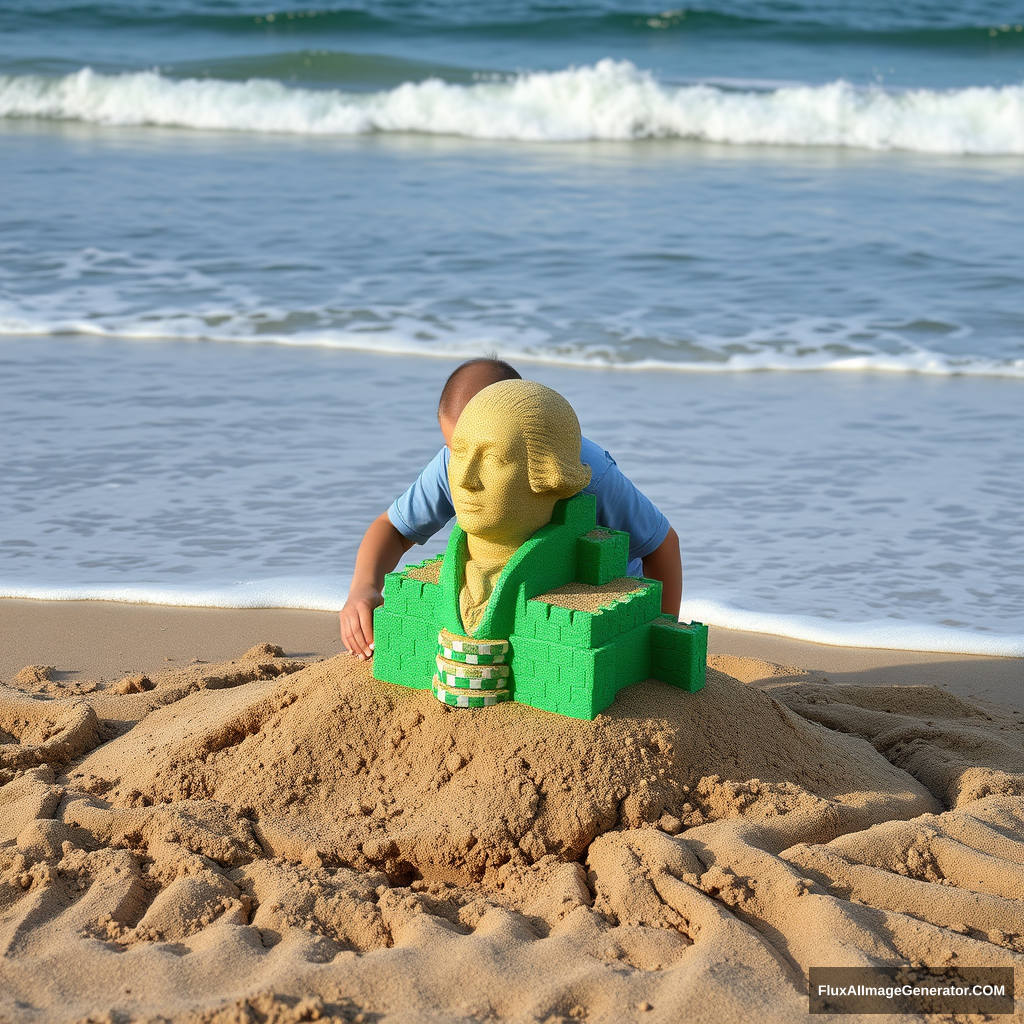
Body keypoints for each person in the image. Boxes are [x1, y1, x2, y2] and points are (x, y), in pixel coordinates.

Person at [340, 358, 681, 659]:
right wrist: (363, 588)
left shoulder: (589, 473)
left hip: (593, 605)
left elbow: (662, 545)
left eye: (491, 454)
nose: (464, 473)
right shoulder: (454, 464)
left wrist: (659, 640)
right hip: (514, 599)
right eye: (455, 448)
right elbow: (393, 528)